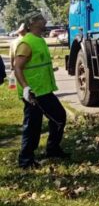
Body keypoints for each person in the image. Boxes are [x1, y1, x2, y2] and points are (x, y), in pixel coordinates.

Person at [13, 11, 67, 169]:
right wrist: (26, 88)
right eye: (42, 19)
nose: (45, 20)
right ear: (34, 23)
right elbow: (17, 67)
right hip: (34, 93)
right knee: (35, 125)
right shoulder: (27, 42)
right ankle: (26, 160)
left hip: (43, 90)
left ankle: (51, 150)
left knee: (55, 118)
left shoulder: (39, 40)